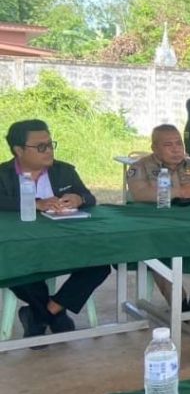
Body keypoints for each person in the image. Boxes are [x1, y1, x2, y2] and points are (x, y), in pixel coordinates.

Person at [0, 119, 111, 338]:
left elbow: (89, 197)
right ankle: (55, 315)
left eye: (51, 144)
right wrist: (35, 203)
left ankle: (43, 314)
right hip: (23, 245)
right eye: (41, 147)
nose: (49, 150)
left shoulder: (64, 171)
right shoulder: (3, 175)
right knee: (12, 264)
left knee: (100, 262)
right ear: (19, 150)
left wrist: (78, 198)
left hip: (65, 241)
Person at [127, 124, 190, 317]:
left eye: (179, 143)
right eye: (168, 145)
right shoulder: (140, 167)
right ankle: (178, 302)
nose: (176, 149)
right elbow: (139, 194)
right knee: (154, 248)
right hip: (158, 225)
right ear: (154, 148)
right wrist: (180, 192)